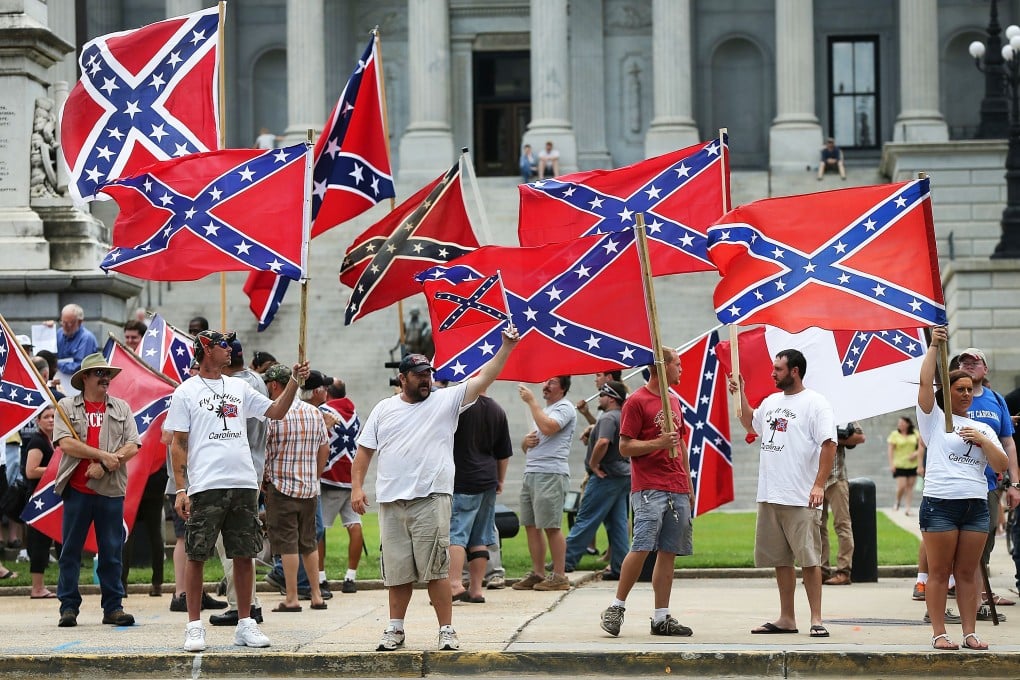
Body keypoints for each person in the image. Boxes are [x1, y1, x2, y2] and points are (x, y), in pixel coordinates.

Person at [351, 324, 519, 653]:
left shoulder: (445, 401)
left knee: (436, 570)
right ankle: (395, 629)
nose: (426, 379)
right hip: (391, 502)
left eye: (428, 373)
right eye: (418, 375)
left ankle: (446, 630)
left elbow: (484, 379)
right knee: (397, 573)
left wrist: (507, 348)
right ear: (403, 378)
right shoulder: (384, 409)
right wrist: (357, 488)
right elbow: (364, 452)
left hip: (431, 498)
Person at [166, 330, 310, 652]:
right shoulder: (186, 391)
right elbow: (178, 442)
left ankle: (246, 624)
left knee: (245, 554)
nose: (229, 348)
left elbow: (275, 411)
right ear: (205, 349)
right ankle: (193, 626)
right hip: (205, 484)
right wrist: (180, 488)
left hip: (244, 481)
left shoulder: (239, 387)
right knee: (196, 554)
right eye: (222, 344)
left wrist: (294, 384)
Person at [729, 348, 836, 638]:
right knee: (781, 560)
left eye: (778, 369)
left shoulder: (816, 403)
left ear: (795, 371)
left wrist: (818, 485)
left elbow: (829, 444)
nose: (773, 373)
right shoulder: (772, 401)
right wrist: (740, 394)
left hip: (801, 495)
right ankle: (787, 618)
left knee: (810, 559)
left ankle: (817, 618)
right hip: (770, 493)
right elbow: (751, 423)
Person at [916, 327, 1006, 650]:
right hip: (940, 504)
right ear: (948, 392)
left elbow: (1001, 464)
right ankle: (940, 632)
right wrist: (934, 346)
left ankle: (970, 632)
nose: (967, 394)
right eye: (960, 389)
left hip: (975, 506)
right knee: (940, 573)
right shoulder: (935, 420)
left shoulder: (982, 427)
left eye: (970, 389)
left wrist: (982, 440)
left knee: (968, 573)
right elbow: (926, 384)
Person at [599, 351, 693, 638]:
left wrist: (688, 484)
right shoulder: (636, 401)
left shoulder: (674, 400)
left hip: (676, 484)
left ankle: (661, 617)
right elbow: (625, 447)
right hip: (649, 486)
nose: (682, 369)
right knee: (641, 546)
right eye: (678, 364)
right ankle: (616, 607)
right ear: (662, 367)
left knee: (669, 552)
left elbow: (682, 444)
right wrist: (658, 442)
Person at [53, 353, 140, 628]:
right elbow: (66, 444)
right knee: (70, 551)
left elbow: (132, 445)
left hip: (111, 491)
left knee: (111, 552)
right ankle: (68, 608)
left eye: (107, 373)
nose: (105, 378)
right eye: (99, 373)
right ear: (85, 379)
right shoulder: (66, 406)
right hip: (77, 491)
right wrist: (104, 455)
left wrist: (105, 465)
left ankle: (113, 607)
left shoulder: (122, 408)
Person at [206, 338, 267, 626]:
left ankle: (241, 604)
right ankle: (249, 602)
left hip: (236, 469)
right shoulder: (255, 380)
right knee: (242, 543)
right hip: (252, 466)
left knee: (231, 544)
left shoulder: (237, 388)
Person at [263, 364, 330, 613]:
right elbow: (324, 447)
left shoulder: (272, 415)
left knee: (287, 544)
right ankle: (316, 595)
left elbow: (265, 451)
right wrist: (315, 473)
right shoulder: (313, 412)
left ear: (274, 385)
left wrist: (264, 479)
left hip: (281, 486)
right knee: (309, 543)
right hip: (309, 488)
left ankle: (291, 597)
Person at [448, 388, 513, 604]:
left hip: (463, 478)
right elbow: (503, 454)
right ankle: (476, 590)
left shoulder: (458, 408)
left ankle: (454, 584)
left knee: (456, 532)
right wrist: (500, 480)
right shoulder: (497, 409)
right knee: (480, 537)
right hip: (488, 478)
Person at [512, 376, 577, 592]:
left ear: (564, 388)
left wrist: (532, 402)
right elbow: (533, 443)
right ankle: (538, 572)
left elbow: (549, 428)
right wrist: (524, 442)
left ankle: (559, 575)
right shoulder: (544, 410)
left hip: (551, 474)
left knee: (551, 525)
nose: (545, 386)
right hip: (532, 473)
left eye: (552, 382)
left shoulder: (565, 408)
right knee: (531, 525)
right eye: (545, 382)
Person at [563, 380, 630, 580]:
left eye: (602, 394)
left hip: (606, 476)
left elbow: (603, 442)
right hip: (624, 475)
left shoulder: (609, 418)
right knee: (617, 524)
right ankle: (620, 566)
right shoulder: (622, 416)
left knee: (586, 518)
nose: (599, 398)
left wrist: (593, 464)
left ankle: (565, 560)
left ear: (610, 398)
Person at [321, 377, 363, 593]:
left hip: (329, 475)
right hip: (351, 476)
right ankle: (351, 577)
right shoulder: (354, 412)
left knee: (320, 528)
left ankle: (320, 577)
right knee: (354, 525)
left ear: (327, 391)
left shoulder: (323, 410)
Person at [820, 422, 865, 586]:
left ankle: (843, 571)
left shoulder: (842, 411)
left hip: (836, 477)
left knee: (842, 524)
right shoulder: (808, 408)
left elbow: (860, 436)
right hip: (812, 479)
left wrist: (834, 436)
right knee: (817, 526)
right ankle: (821, 570)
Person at [23, 406, 55, 599]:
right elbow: (31, 470)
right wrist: (56, 469)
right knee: (39, 544)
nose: (51, 420)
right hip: (37, 500)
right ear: (38, 421)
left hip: (50, 498)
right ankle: (37, 588)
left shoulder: (53, 441)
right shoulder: (37, 442)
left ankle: (42, 586)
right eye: (46, 417)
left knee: (47, 543)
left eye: (53, 416)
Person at [888, 416, 922, 514]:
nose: (900, 425)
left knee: (910, 487)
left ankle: (908, 508)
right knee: (902, 486)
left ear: (908, 424)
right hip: (899, 464)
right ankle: (897, 501)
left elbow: (922, 446)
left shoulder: (915, 433)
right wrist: (891, 464)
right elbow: (890, 451)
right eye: (899, 423)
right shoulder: (894, 435)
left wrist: (915, 454)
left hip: (913, 465)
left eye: (902, 423)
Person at [55, 303, 99, 377]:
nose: (65, 326)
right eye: (63, 322)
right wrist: (47, 331)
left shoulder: (87, 338)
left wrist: (56, 364)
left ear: (79, 322)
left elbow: (80, 366)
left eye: (69, 323)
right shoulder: (59, 333)